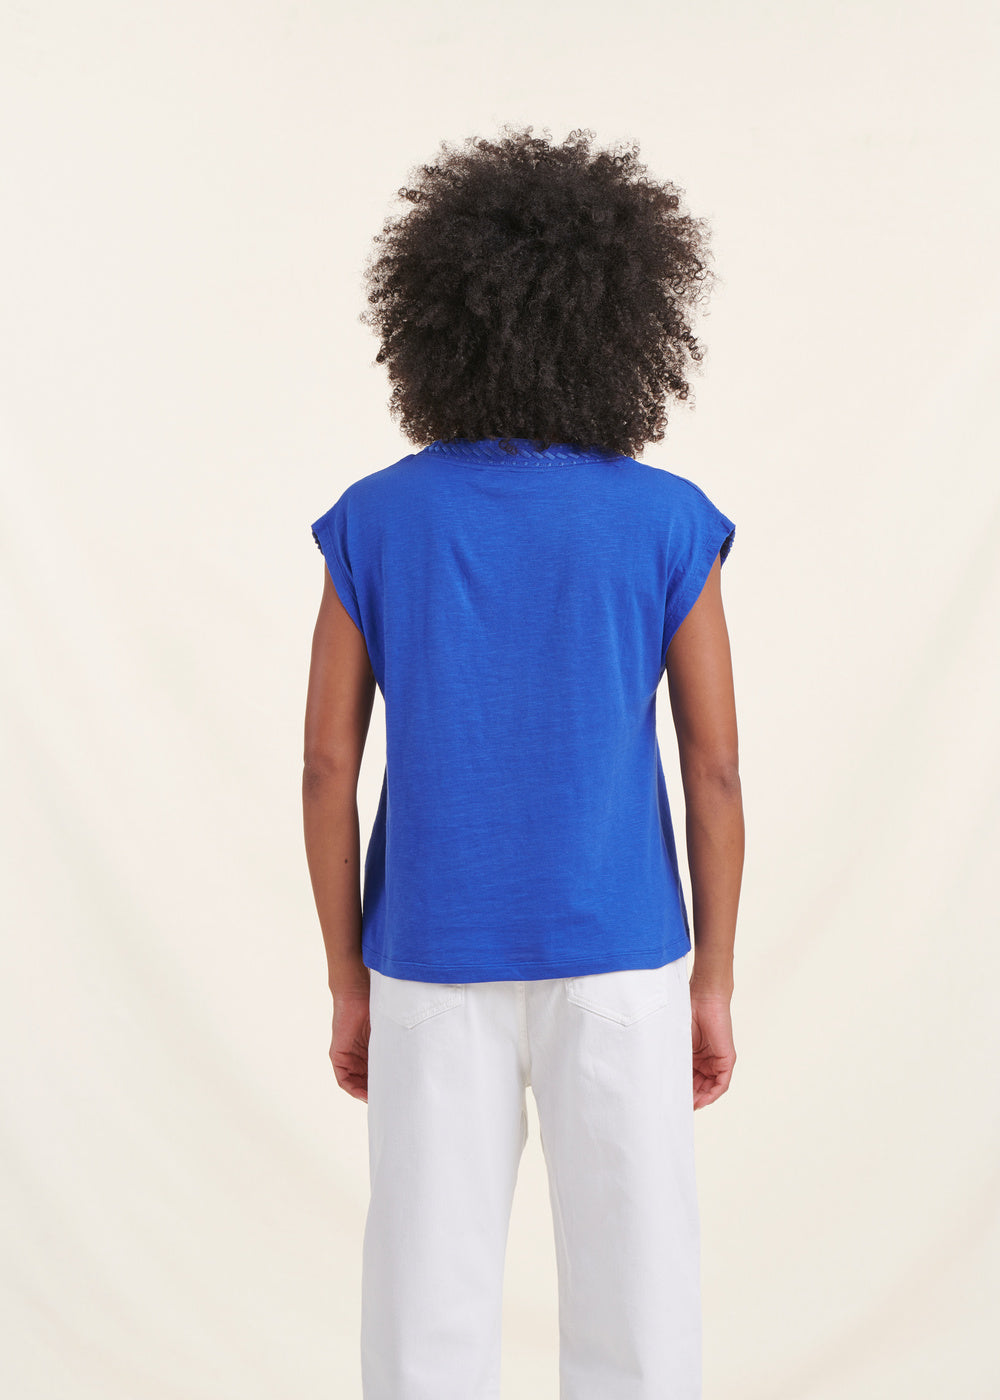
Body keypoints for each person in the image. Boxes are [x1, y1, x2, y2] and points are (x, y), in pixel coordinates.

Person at [302, 124, 743, 1400]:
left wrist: (345, 979)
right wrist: (714, 979)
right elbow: (714, 770)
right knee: (639, 1308)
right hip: (621, 955)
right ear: (626, 324)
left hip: (428, 953)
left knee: (424, 1315)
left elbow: (327, 765)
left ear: (432, 323)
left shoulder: (376, 516)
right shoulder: (666, 520)